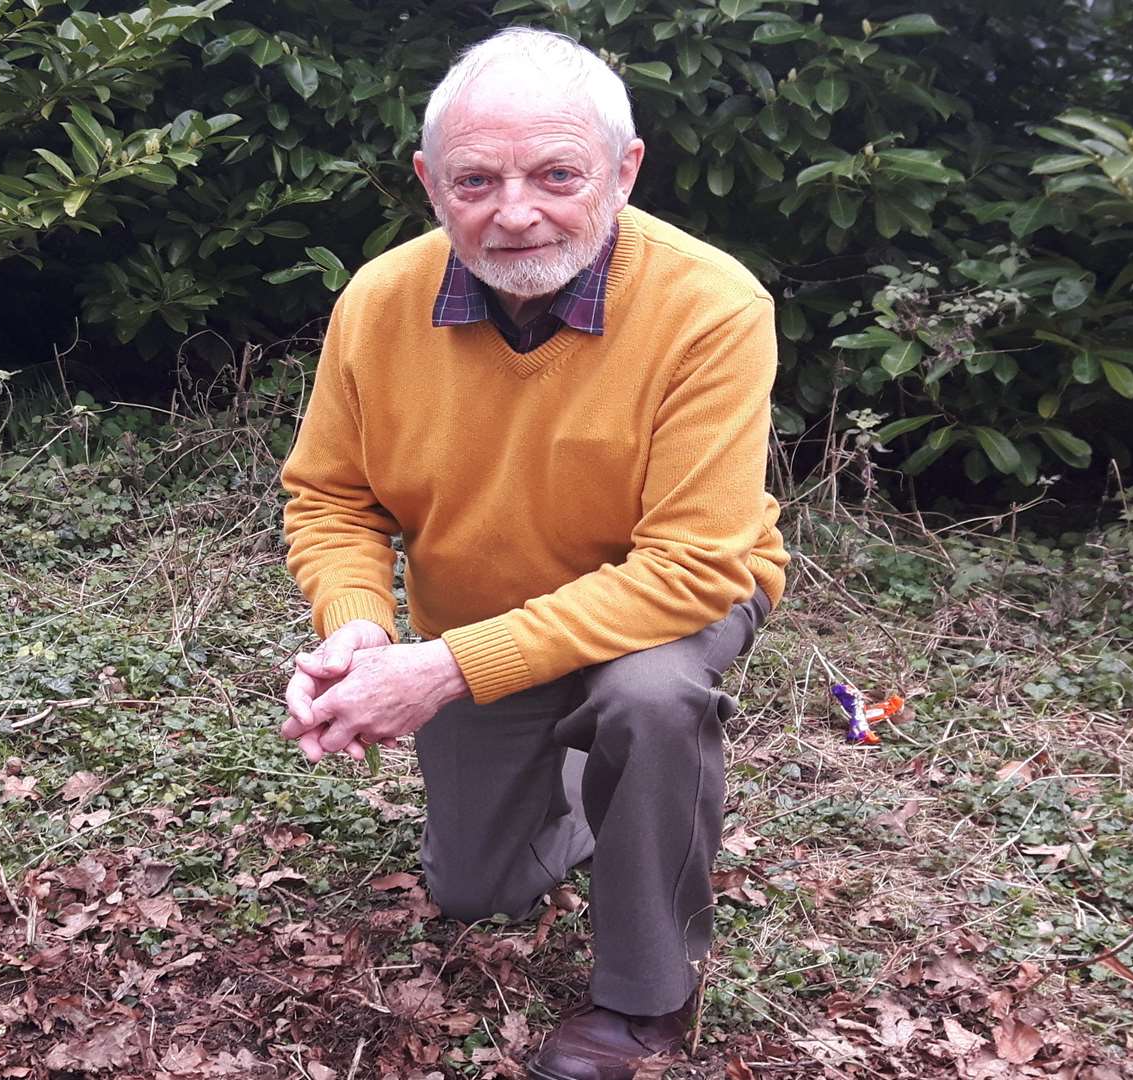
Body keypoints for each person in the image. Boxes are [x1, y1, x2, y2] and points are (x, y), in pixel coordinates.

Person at [277, 27, 790, 1080]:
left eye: (558, 174)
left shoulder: (713, 305)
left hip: (667, 603)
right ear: (430, 183)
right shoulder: (379, 301)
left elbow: (693, 567)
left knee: (648, 700)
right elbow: (331, 495)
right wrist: (363, 629)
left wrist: (443, 670)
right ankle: (579, 779)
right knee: (477, 893)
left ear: (625, 171)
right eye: (475, 179)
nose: (514, 211)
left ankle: (645, 1000)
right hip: (479, 612)